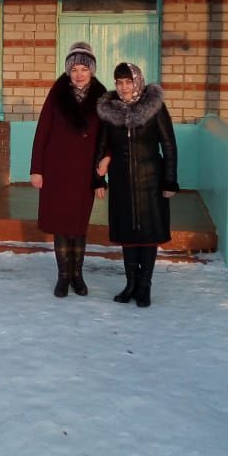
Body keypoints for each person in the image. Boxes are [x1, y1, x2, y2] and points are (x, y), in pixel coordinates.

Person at [94, 62, 178, 308]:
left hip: (151, 180)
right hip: (122, 181)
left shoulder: (154, 108)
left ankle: (144, 286)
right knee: (127, 234)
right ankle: (130, 283)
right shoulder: (110, 112)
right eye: (119, 82)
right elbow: (101, 146)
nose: (123, 87)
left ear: (137, 82)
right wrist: (98, 179)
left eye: (128, 82)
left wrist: (170, 181)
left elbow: (169, 145)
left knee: (148, 234)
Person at [30, 41, 108, 297]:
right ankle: (63, 276)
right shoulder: (57, 93)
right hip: (56, 169)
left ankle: (78, 276)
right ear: (68, 71)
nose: (79, 74)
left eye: (84, 68)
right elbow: (42, 131)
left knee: (78, 224)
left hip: (84, 171)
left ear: (92, 71)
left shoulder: (102, 96)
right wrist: (37, 169)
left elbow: (108, 136)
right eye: (74, 69)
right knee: (61, 224)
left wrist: (102, 169)